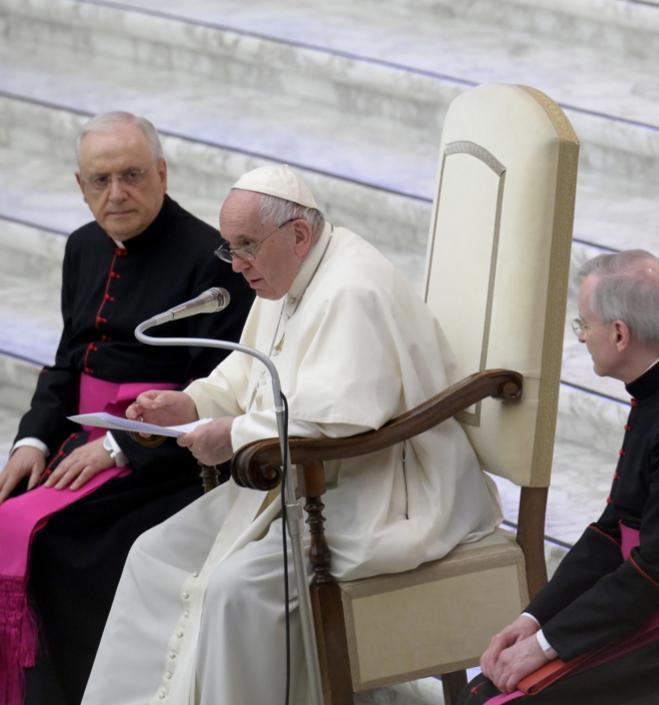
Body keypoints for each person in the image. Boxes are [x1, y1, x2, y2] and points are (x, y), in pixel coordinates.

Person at [79, 164, 502, 705]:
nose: (236, 266)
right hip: (301, 484)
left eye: (245, 246)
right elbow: (248, 371)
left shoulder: (352, 289)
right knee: (150, 554)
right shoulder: (283, 274)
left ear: (298, 235)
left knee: (233, 593)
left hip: (375, 493)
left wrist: (231, 436)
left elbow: (338, 420)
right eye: (228, 249)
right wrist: (192, 402)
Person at [0, 112, 252, 705]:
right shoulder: (82, 246)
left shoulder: (211, 260)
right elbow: (67, 364)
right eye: (101, 179)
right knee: (11, 507)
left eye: (133, 174)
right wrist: (30, 442)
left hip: (162, 459)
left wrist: (120, 445)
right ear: (80, 185)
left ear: (163, 174)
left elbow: (216, 385)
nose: (118, 193)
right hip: (76, 442)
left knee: (63, 543)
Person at [465, 250, 659, 705]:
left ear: (620, 333)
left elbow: (654, 571)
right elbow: (613, 533)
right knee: (485, 688)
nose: (583, 336)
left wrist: (546, 646)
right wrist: (533, 621)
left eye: (584, 324)